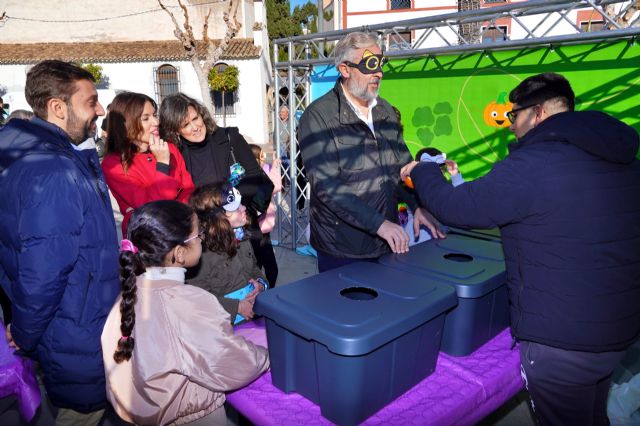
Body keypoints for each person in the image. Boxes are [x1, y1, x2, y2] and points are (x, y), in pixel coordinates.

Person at [401, 72, 640, 425]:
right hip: (616, 330)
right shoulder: (621, 159)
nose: (511, 126)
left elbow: (456, 207)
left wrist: (423, 171)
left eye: (515, 116)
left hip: (563, 344)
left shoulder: (534, 164)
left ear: (538, 113)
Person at [0, 60, 120, 424]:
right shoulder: (54, 170)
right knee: (80, 412)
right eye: (91, 102)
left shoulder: (34, 154)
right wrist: (24, 331)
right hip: (73, 327)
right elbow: (44, 271)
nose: (100, 110)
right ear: (57, 107)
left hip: (69, 320)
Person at [101, 200, 269, 425]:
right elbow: (235, 364)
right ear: (179, 253)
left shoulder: (124, 300)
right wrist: (268, 355)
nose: (203, 238)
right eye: (198, 234)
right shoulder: (191, 304)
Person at [297, 31, 443, 272]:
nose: (379, 73)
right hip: (342, 248)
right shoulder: (318, 117)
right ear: (345, 69)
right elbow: (327, 186)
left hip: (387, 242)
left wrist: (418, 206)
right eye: (370, 65)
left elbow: (403, 167)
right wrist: (380, 225)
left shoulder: (384, 110)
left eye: (381, 63)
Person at [159, 93, 277, 284]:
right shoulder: (176, 154)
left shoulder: (230, 138)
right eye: (185, 124)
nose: (195, 127)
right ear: (175, 131)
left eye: (195, 118)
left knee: (261, 281)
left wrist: (242, 211)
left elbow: (260, 181)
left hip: (245, 231)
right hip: (208, 245)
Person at [102, 92, 194, 234]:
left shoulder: (169, 148)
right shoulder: (114, 164)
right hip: (151, 239)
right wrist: (162, 164)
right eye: (146, 118)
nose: (156, 122)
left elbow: (188, 189)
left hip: (184, 228)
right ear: (126, 123)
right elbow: (150, 206)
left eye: (154, 115)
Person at [187, 183, 268, 324]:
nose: (244, 208)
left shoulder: (241, 238)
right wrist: (237, 307)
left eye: (241, 203)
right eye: (236, 208)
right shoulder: (201, 254)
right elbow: (197, 296)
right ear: (219, 219)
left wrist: (261, 284)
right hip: (223, 326)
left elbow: (254, 268)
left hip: (252, 317)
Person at [404, 147, 465, 245]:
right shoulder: (414, 187)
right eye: (434, 168)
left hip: (440, 241)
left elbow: (463, 202)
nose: (438, 172)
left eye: (441, 169)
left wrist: (455, 175)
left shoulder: (443, 186)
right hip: (418, 245)